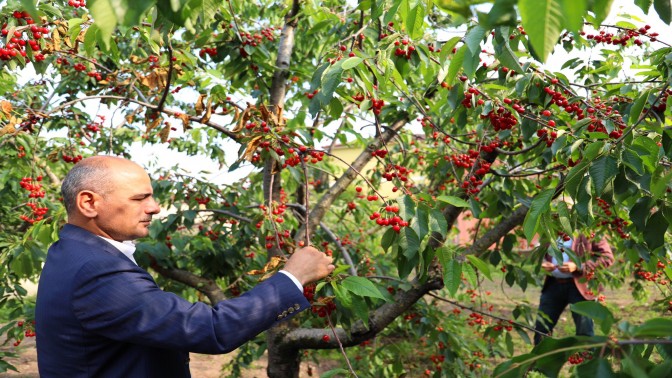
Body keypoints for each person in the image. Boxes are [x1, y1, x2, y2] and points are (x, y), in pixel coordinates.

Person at [35, 155, 335, 377]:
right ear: (88, 203)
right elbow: (212, 330)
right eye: (140, 198)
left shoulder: (71, 250)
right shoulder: (96, 270)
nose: (154, 207)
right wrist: (293, 277)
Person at [533, 233, 614, 345]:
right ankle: (541, 360)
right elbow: (542, 253)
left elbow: (607, 257)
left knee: (584, 331)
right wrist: (544, 263)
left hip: (580, 288)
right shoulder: (550, 229)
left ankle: (586, 359)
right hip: (553, 285)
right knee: (541, 328)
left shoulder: (589, 231)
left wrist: (579, 266)